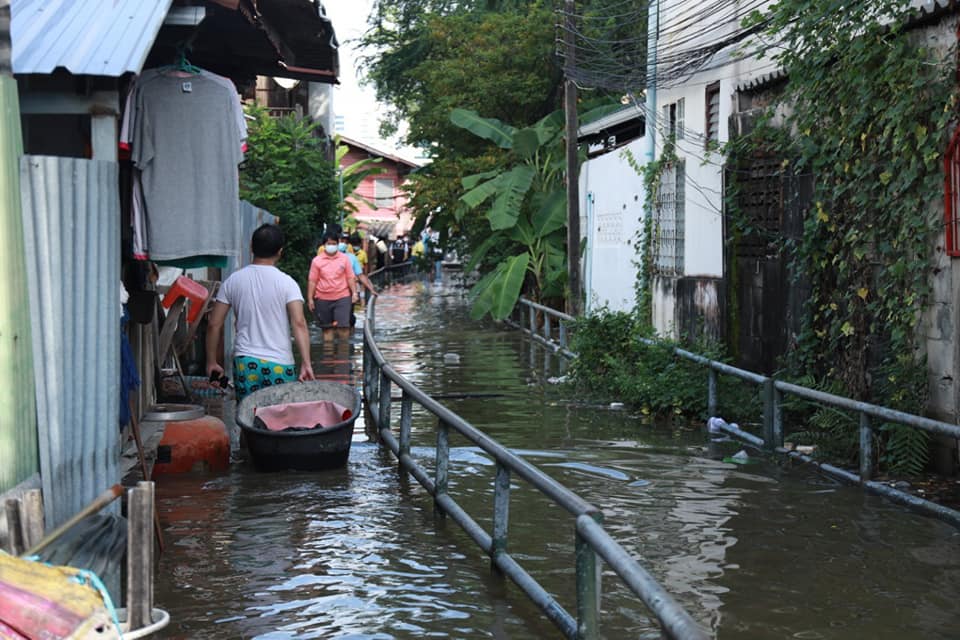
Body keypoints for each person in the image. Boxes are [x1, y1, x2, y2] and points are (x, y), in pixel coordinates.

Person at [206, 224, 314, 401]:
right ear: (280, 252)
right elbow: (299, 323)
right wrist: (306, 362)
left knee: (248, 418)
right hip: (280, 363)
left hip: (246, 363)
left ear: (251, 246)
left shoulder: (233, 280)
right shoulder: (288, 283)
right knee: (280, 419)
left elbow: (214, 324)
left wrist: (211, 361)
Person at [308, 231, 358, 334]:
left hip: (342, 297)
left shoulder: (344, 259)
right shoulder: (317, 261)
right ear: (324, 245)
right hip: (322, 298)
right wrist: (310, 299)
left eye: (334, 243)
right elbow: (312, 281)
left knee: (343, 329)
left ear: (338, 243)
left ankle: (343, 350)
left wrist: (354, 293)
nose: (331, 246)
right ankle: (329, 350)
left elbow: (350, 277)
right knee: (327, 330)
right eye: (329, 244)